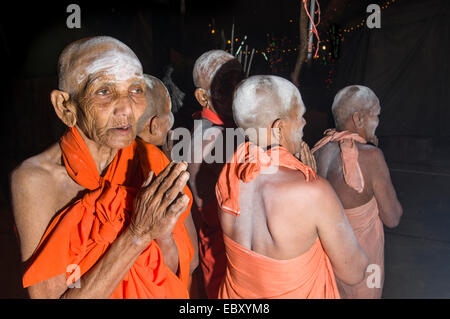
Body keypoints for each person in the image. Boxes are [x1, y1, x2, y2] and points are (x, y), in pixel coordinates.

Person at [10, 36, 197, 299]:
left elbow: (182, 267)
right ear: (65, 107)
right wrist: (136, 235)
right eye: (104, 91)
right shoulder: (35, 181)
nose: (126, 109)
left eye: (136, 90)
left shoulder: (150, 162)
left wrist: (163, 237)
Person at [215, 75, 369, 299]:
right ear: (278, 128)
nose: (305, 122)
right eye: (300, 116)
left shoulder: (228, 179)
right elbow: (354, 272)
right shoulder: (312, 193)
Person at [312, 85, 403, 298]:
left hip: (325, 260)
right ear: (359, 119)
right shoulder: (371, 157)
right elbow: (392, 217)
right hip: (361, 266)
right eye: (376, 115)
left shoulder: (319, 149)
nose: (378, 122)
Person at [187, 49, 245, 298]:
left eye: (238, 81)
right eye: (225, 84)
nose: (236, 90)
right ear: (203, 96)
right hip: (223, 254)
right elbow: (210, 214)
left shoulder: (231, 128)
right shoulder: (207, 140)